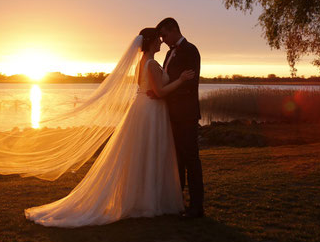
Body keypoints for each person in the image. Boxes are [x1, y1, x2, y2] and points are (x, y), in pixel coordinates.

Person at [24, 28, 194, 227]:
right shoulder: (151, 64)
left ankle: (144, 199)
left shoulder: (143, 63)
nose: (161, 43)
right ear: (150, 43)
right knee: (149, 154)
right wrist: (182, 80)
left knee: (142, 155)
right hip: (150, 112)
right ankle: (147, 202)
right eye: (158, 40)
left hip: (143, 109)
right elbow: (160, 91)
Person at [155, 17, 204, 219]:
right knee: (177, 161)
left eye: (164, 35)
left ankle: (197, 207)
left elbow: (188, 85)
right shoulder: (169, 53)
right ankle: (178, 202)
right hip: (171, 114)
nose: (163, 39)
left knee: (191, 159)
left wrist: (164, 93)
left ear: (174, 30)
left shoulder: (190, 50)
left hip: (186, 114)